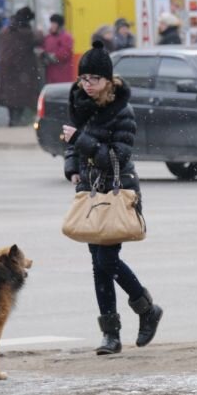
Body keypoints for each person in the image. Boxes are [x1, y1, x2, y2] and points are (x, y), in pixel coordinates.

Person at [61, 40, 163, 355]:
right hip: (90, 189)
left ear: (108, 80)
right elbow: (71, 143)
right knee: (98, 264)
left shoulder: (122, 111)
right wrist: (72, 167)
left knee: (106, 260)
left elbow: (116, 157)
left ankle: (146, 308)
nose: (87, 84)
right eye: (83, 78)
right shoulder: (80, 102)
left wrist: (81, 140)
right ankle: (111, 334)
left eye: (94, 78)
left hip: (117, 188)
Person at [0, 7, 44, 126]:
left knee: (9, 96)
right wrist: (40, 30)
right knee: (21, 95)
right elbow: (38, 39)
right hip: (21, 69)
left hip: (6, 68)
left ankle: (12, 119)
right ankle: (16, 120)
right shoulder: (25, 33)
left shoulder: (5, 31)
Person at [42, 14, 74, 84]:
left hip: (63, 76)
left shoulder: (66, 37)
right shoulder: (48, 38)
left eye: (54, 23)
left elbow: (64, 53)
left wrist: (51, 57)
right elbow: (43, 49)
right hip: (50, 76)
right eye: (51, 23)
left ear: (59, 25)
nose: (52, 25)